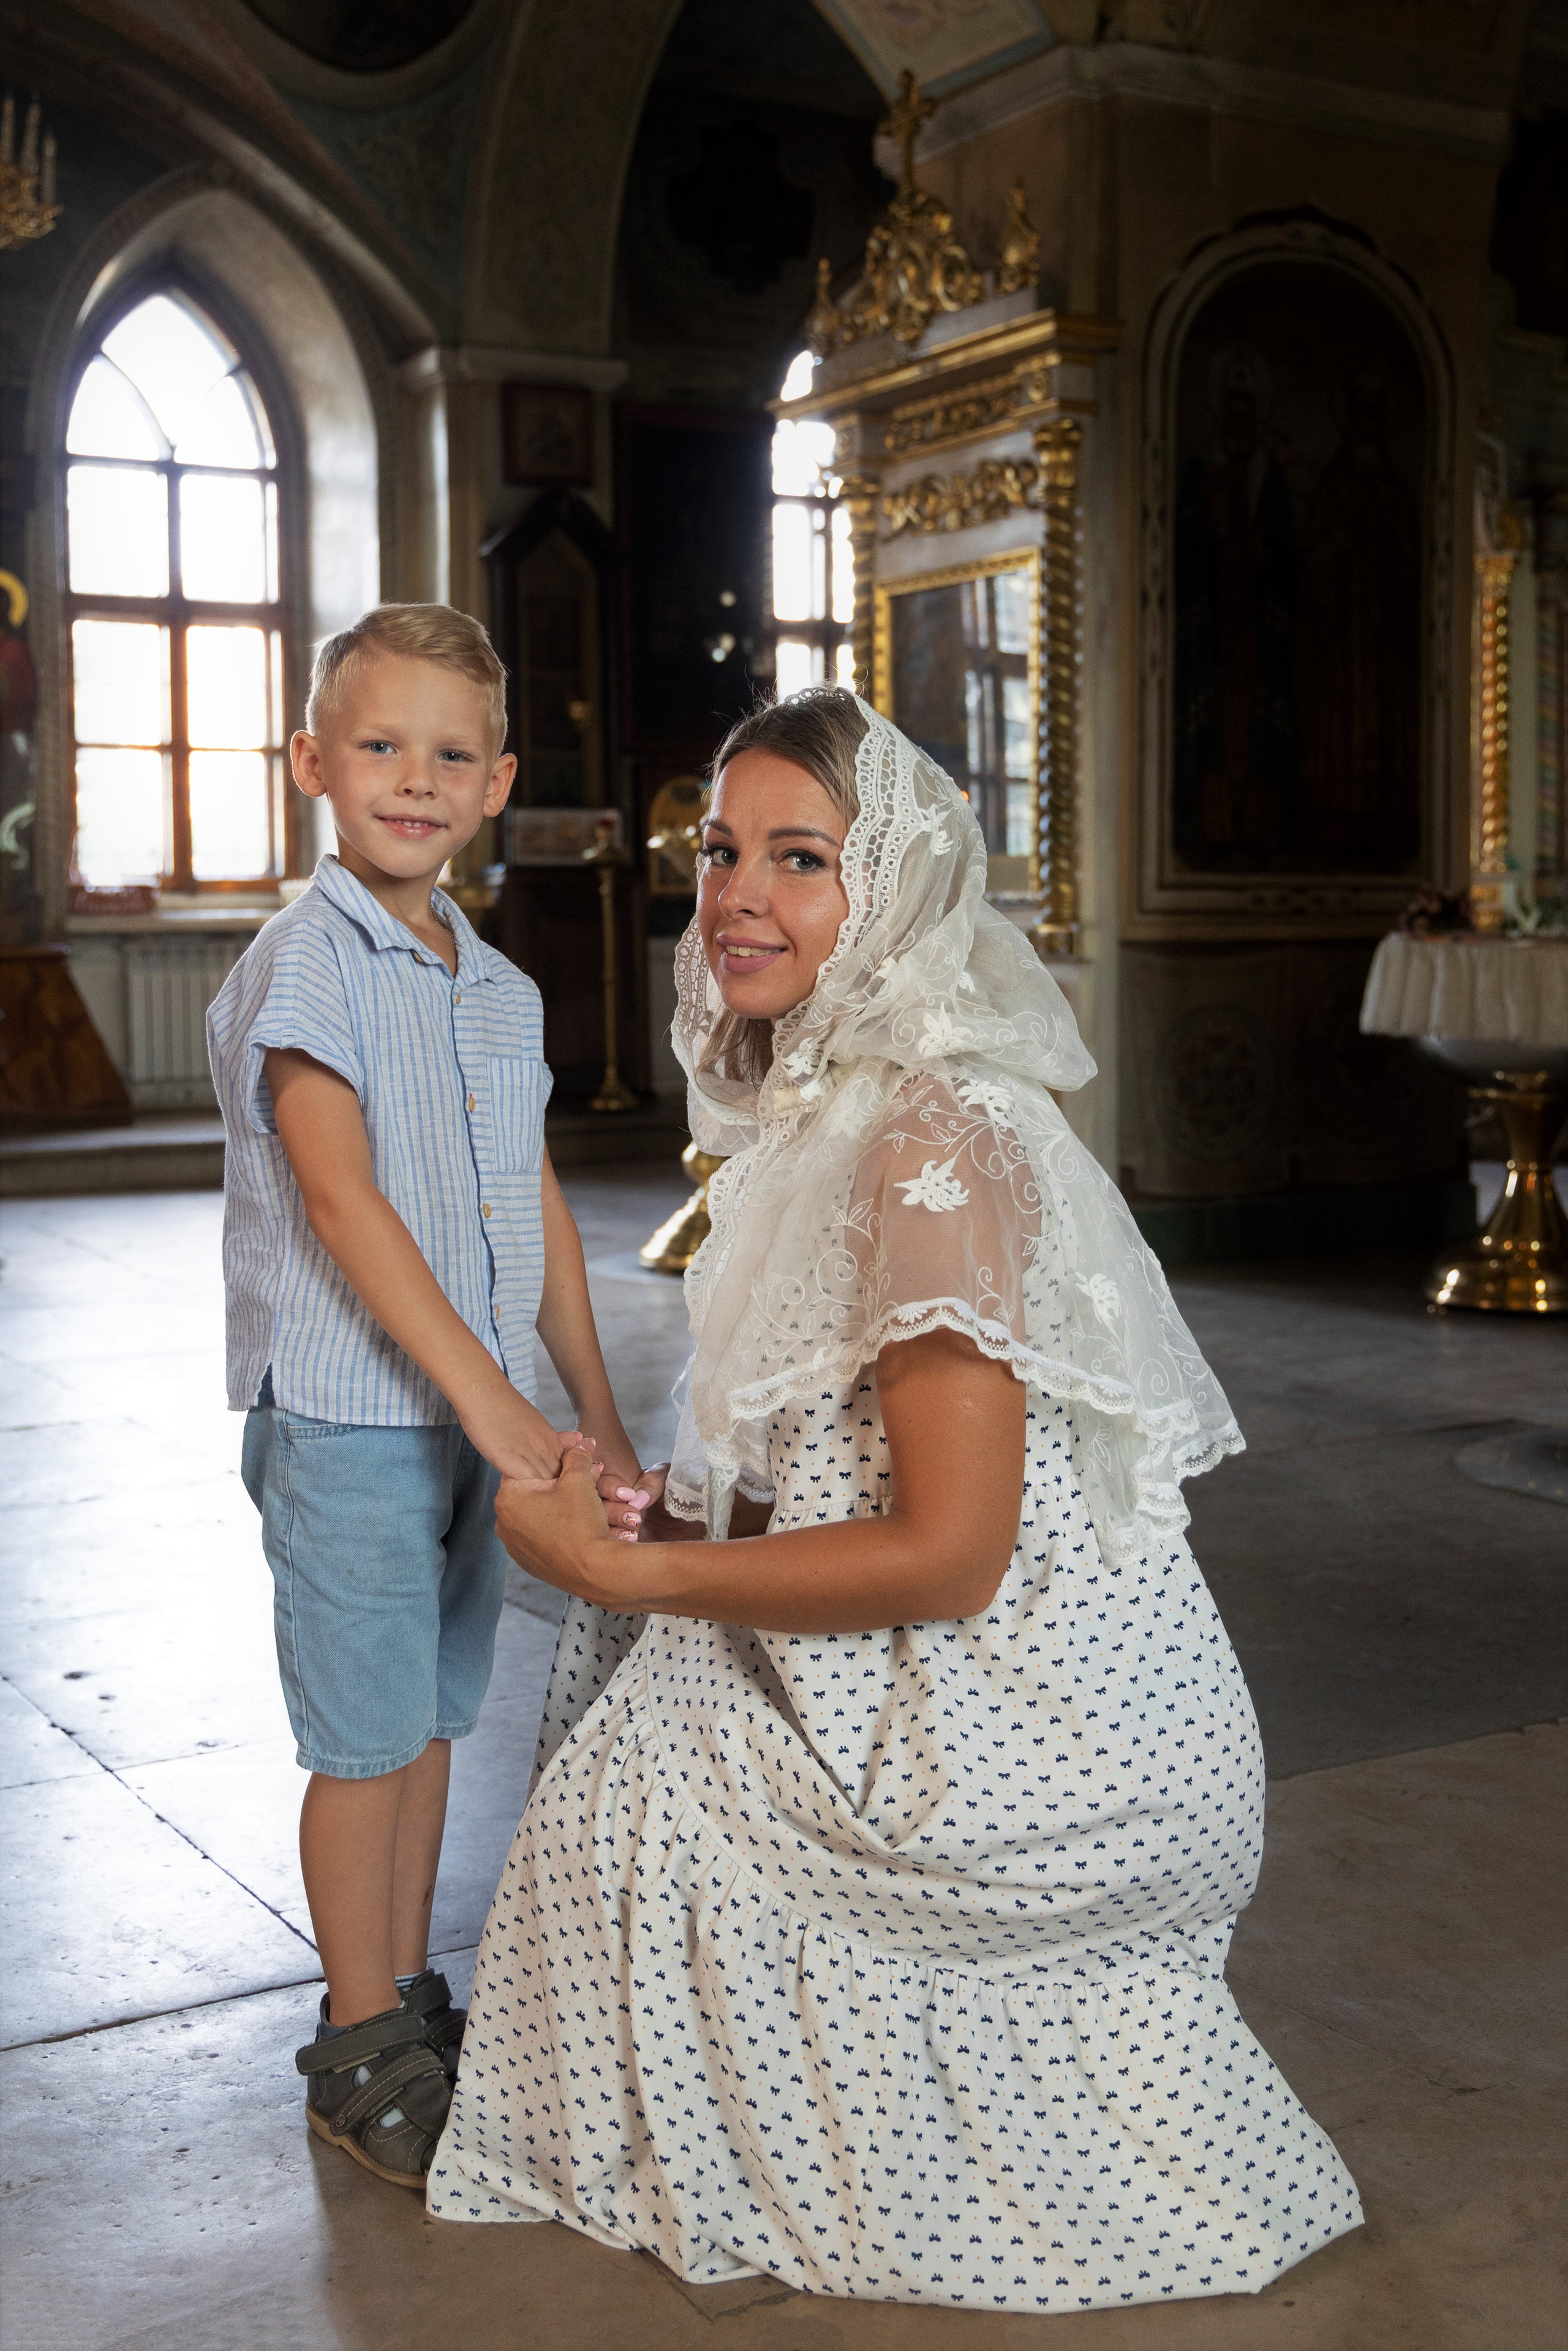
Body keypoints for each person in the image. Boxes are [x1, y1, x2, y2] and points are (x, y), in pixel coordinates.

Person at [426, 685, 1362, 2310]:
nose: (738, 895)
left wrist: (646, 1584)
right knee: (619, 1679)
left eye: (803, 858)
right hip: (981, 1663)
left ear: (899, 894)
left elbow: (949, 1550)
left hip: (1035, 1717)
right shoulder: (832, 1104)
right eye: (723, 851)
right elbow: (820, 1465)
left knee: (640, 1739)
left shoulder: (925, 1132)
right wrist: (655, 1526)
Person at [207, 603, 652, 2191]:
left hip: (477, 1418)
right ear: (314, 761)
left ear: (499, 779)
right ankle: (353, 2040)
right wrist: (490, 1411)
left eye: (450, 752)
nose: (415, 777)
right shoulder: (305, 959)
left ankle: (406, 1997)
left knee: (434, 1721)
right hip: (349, 1418)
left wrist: (584, 1409)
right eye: (379, 744)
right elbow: (344, 1205)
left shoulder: (503, 990)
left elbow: (529, 1211)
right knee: (363, 1741)